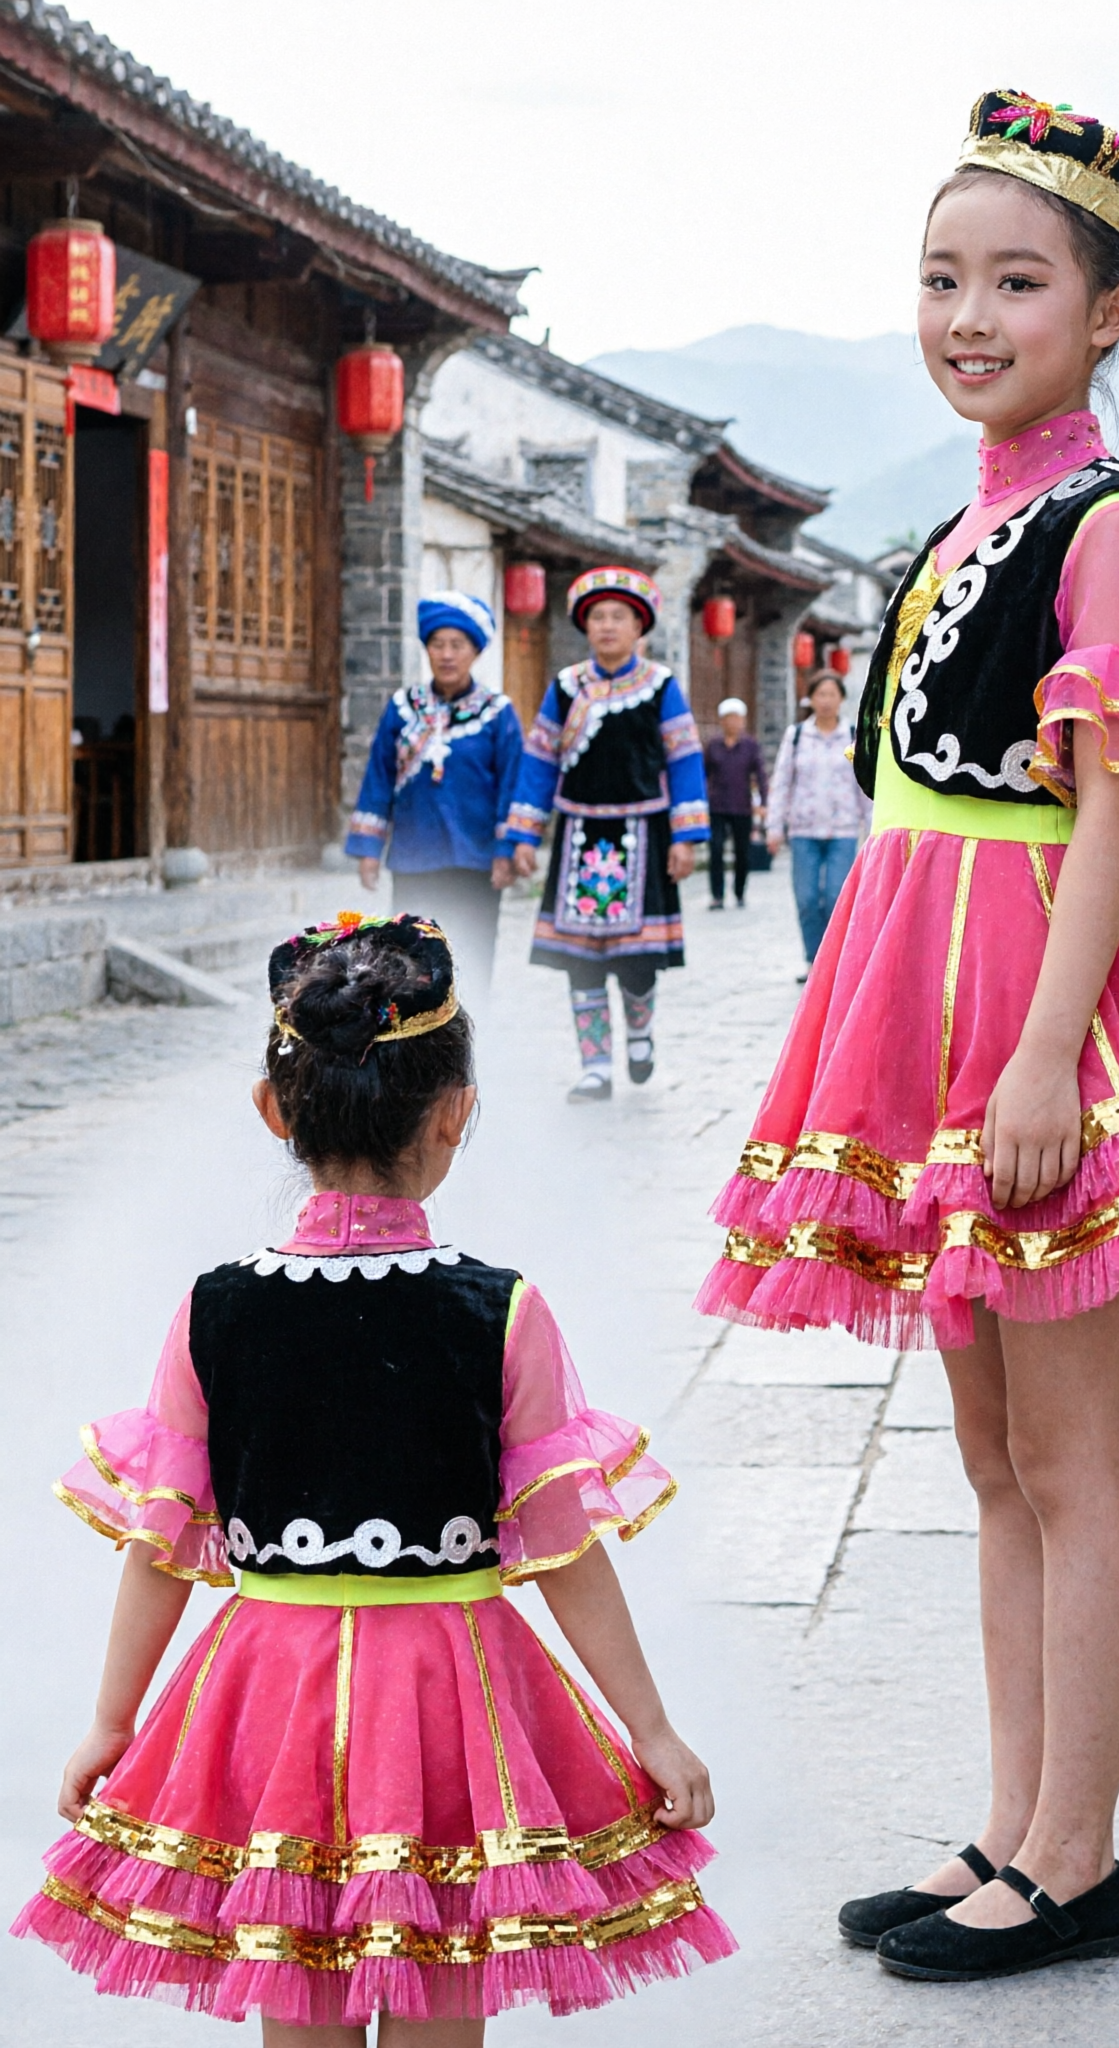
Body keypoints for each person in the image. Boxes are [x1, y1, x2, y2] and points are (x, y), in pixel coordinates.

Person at [697, 90, 1119, 1983]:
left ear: (1109, 310)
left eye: (1014, 282)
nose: (968, 316)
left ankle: (1076, 1858)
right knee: (988, 1457)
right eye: (940, 279)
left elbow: (1115, 812)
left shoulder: (1110, 523)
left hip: (1031, 996)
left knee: (1070, 1454)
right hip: (922, 973)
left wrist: (1047, 1058)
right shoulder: (970, 514)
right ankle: (1010, 1824)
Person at [13, 910, 732, 2032]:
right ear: (454, 1114)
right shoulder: (500, 1310)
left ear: (274, 1109)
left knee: (292, 1980)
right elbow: (562, 1549)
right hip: (452, 1702)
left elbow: (160, 1543)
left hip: (269, 1695)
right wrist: (649, 1727)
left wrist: (115, 1718)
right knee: (444, 1978)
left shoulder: (213, 1310)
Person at [505, 569, 708, 1103]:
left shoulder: (660, 686)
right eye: (598, 617)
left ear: (639, 627)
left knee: (637, 961)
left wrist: (686, 837)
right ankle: (595, 1067)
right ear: (585, 626)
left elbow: (684, 759)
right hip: (579, 836)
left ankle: (640, 1033)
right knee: (581, 962)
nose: (608, 626)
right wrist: (524, 833)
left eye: (619, 616)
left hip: (644, 833)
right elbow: (540, 760)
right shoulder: (566, 687)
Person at [344, 592, 521, 991]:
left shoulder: (497, 712)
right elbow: (379, 777)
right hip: (413, 857)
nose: (447, 655)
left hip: (475, 860)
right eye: (438, 644)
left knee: (471, 958)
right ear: (426, 649)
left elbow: (512, 784)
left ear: (475, 651)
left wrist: (505, 851)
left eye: (457, 645)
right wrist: (369, 849)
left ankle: (474, 1027)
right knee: (409, 964)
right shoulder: (403, 707)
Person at [765, 669, 871, 980]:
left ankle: (833, 962)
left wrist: (873, 828)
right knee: (807, 899)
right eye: (820, 694)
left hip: (843, 831)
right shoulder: (796, 736)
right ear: (810, 699)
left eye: (831, 694)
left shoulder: (853, 735)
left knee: (837, 897)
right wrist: (774, 827)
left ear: (841, 699)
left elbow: (865, 785)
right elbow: (782, 782)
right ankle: (813, 960)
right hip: (804, 831)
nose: (825, 701)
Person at [701, 697, 766, 911]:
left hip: (742, 806)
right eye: (729, 718)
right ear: (722, 721)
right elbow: (703, 774)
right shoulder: (713, 745)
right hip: (717, 806)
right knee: (716, 850)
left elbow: (760, 774)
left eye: (737, 718)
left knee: (742, 851)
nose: (733, 722)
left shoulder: (750, 745)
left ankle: (739, 892)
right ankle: (717, 895)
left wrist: (764, 801)